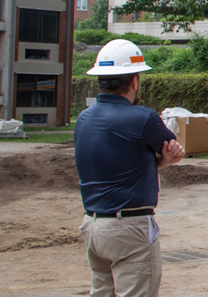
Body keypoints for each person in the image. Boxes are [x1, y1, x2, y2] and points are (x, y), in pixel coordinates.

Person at [74, 39, 185, 297]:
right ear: (134, 81)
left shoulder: (84, 119)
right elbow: (169, 144)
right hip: (128, 228)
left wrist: (161, 161)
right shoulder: (142, 117)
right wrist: (167, 159)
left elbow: (120, 161)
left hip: (93, 225)